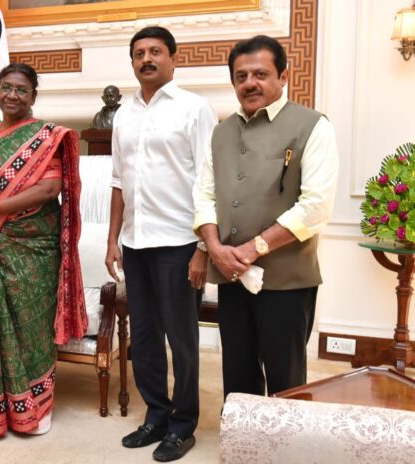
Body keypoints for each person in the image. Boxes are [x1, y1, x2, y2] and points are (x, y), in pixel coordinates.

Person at [193, 35, 339, 399]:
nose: (250, 83)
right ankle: (246, 449)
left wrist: (253, 249)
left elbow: (316, 205)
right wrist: (214, 248)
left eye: (260, 73)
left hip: (287, 280)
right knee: (238, 374)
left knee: (286, 379)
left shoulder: (312, 125)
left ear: (283, 75)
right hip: (230, 275)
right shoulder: (220, 132)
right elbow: (205, 194)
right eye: (241, 76)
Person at [0, 62, 87, 437]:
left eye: (21, 90)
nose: (12, 95)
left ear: (33, 97)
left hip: (33, 246)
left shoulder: (47, 135)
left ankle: (34, 410)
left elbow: (48, 190)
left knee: (31, 327)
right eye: (6, 87)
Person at [105, 26, 217, 462]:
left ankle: (183, 423)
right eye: (138, 53)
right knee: (146, 337)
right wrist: (113, 240)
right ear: (132, 62)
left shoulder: (195, 109)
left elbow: (210, 180)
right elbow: (118, 181)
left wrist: (203, 248)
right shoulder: (124, 115)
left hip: (179, 243)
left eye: (155, 52)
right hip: (135, 243)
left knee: (182, 340)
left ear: (173, 58)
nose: (146, 59)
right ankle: (156, 414)